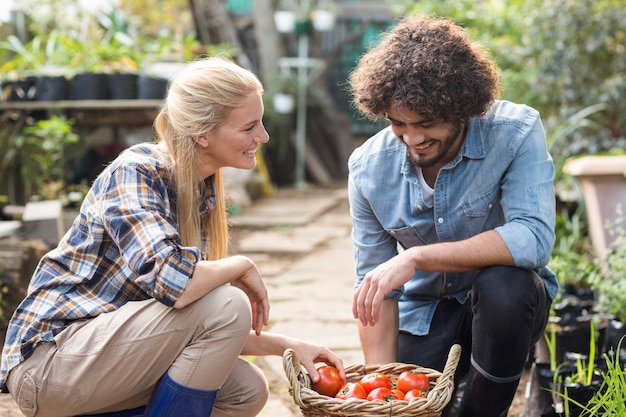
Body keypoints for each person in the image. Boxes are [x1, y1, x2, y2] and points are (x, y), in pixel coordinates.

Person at [0, 57, 346, 417]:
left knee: (246, 390)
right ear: (202, 132)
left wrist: (286, 345)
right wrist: (240, 265)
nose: (263, 137)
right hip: (48, 366)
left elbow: (195, 328)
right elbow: (177, 285)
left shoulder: (200, 194)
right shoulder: (136, 172)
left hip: (99, 361)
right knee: (228, 302)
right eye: (249, 127)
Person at [347, 14, 557, 417]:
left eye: (426, 124)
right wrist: (382, 388)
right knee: (421, 407)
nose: (412, 138)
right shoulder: (368, 168)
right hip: (423, 313)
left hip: (502, 308)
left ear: (463, 108)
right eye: (398, 124)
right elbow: (375, 289)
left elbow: (533, 238)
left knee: (505, 285)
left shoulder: (515, 132)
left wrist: (417, 256)